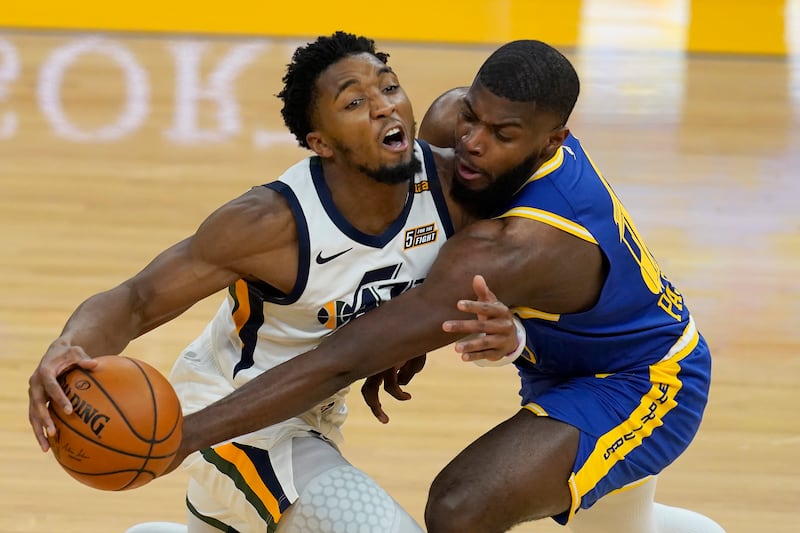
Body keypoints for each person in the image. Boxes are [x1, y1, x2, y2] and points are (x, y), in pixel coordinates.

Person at [133, 39, 725, 533]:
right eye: (473, 115)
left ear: (553, 141)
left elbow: (348, 357)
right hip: (556, 351)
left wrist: (186, 436)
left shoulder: (523, 243)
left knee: (460, 508)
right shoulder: (448, 125)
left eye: (503, 134)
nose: (472, 141)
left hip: (641, 378)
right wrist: (443, 326)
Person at [27, 32, 522, 533]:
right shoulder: (271, 223)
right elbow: (137, 299)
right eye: (354, 101)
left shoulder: (452, 194)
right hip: (225, 411)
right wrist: (70, 345)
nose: (381, 107)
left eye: (389, 88)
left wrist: (504, 333)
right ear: (319, 143)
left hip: (315, 418)